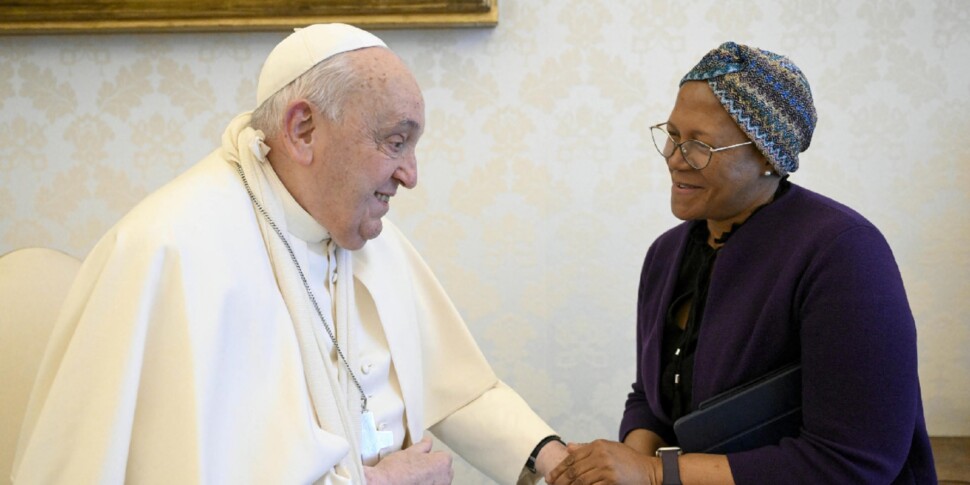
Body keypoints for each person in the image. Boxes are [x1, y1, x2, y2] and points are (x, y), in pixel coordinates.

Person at [12, 23, 567, 484]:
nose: (410, 175)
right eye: (395, 142)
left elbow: (459, 384)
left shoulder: (363, 232)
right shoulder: (172, 250)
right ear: (303, 129)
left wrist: (559, 464)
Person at [548, 42, 936, 484]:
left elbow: (853, 463)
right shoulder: (666, 254)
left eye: (700, 145)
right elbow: (651, 401)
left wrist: (657, 474)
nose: (675, 159)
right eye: (672, 135)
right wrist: (617, 468)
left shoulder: (844, 253)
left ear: (769, 156)